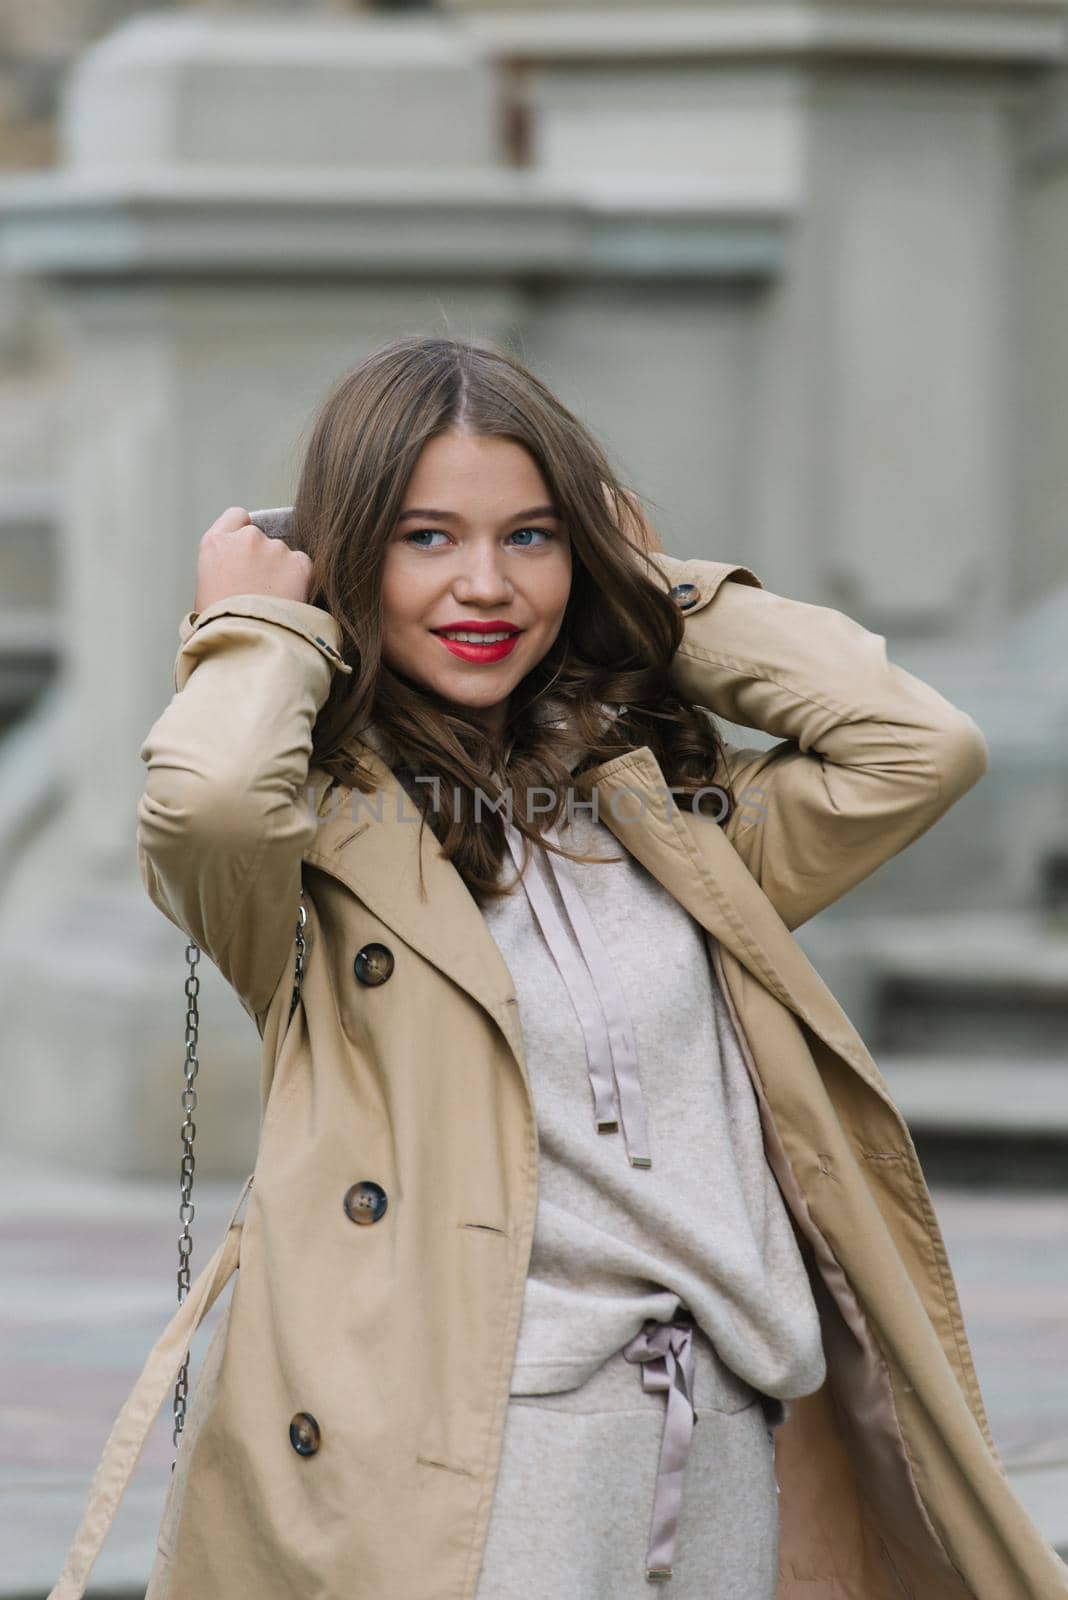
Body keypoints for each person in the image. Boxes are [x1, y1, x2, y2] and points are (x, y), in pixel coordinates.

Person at [48, 336, 1068, 1600]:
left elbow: (918, 746)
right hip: (469, 1450)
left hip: (721, 1428)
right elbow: (204, 804)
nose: (486, 584)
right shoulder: (318, 842)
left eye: (531, 536)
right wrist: (255, 625)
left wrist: (653, 587)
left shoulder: (673, 817)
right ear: (350, 560)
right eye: (427, 538)